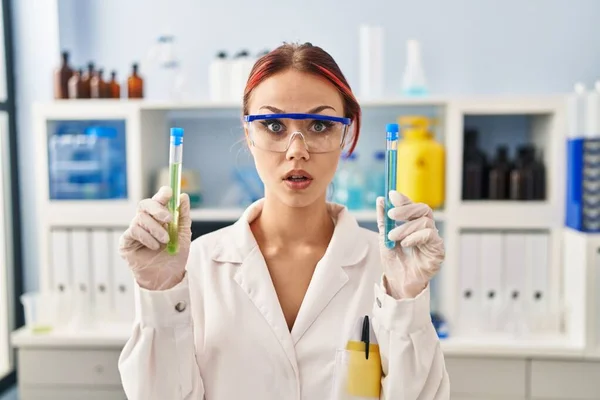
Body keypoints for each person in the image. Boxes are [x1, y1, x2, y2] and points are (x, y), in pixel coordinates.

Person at [118, 42, 449, 399]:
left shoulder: (385, 271)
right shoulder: (196, 267)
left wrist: (406, 298)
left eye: (320, 125)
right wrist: (161, 292)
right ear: (248, 134)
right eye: (274, 125)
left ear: (345, 134)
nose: (297, 150)